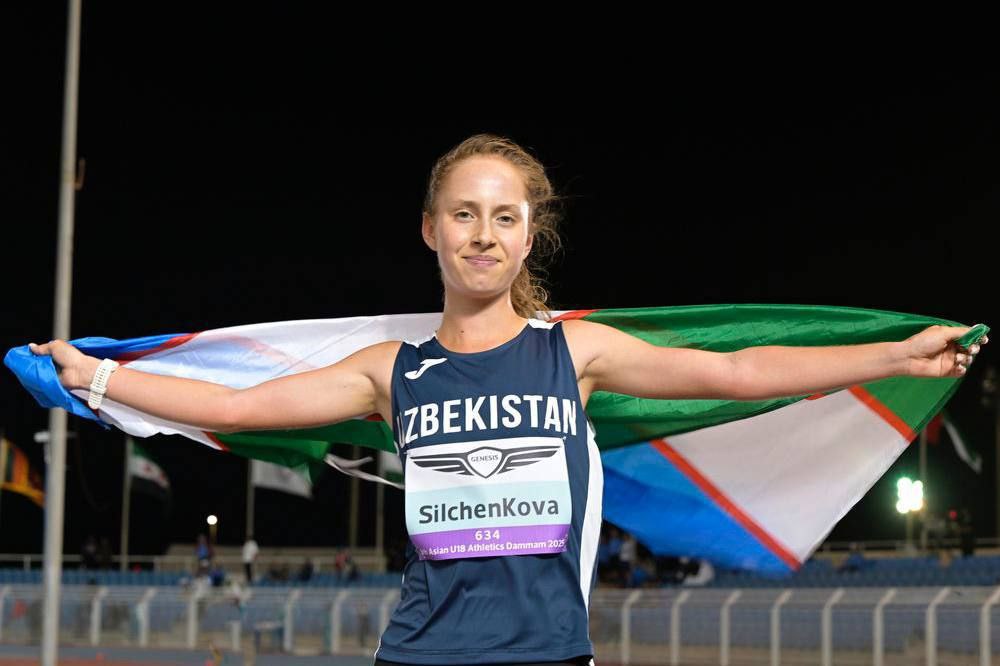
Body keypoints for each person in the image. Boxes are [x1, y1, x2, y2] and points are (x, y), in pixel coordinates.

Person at [28, 133, 985, 665]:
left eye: (504, 216)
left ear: (529, 237)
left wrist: (892, 355)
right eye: (464, 213)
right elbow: (234, 407)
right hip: (419, 654)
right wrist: (96, 377)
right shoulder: (389, 371)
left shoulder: (575, 353)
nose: (483, 234)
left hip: (548, 653)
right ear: (431, 230)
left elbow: (738, 374)